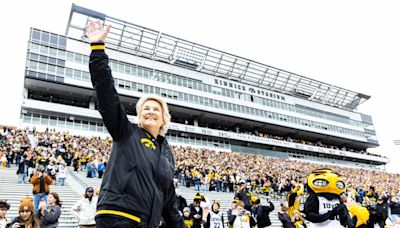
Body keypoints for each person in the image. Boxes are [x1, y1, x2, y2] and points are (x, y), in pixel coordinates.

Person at [86, 20, 184, 228]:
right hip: (118, 216)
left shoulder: (167, 154)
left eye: (156, 109)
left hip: (146, 222)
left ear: (164, 119)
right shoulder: (126, 132)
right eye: (145, 109)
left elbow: (169, 204)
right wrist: (97, 49)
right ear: (139, 117)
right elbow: (106, 94)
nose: (150, 111)